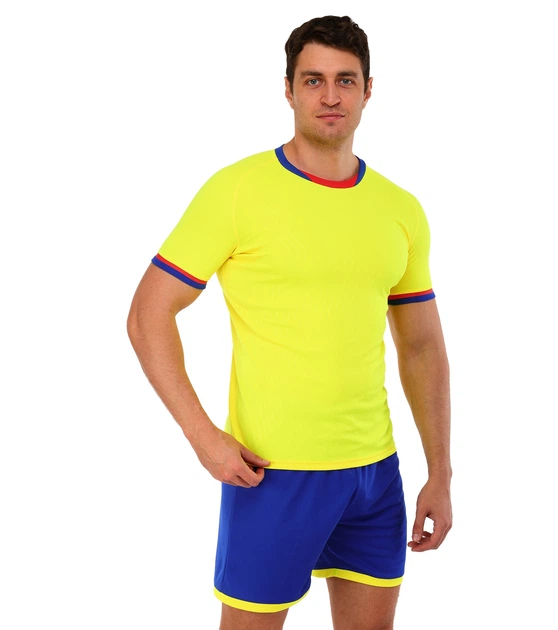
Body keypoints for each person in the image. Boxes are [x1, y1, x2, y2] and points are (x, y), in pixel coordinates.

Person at [127, 14, 452, 630]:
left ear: (368, 90)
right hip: (271, 473)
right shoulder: (237, 191)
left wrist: (441, 472)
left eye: (345, 80)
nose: (330, 96)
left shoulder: (400, 209)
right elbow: (149, 315)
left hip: (374, 475)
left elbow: (422, 345)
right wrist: (203, 437)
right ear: (288, 89)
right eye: (313, 80)